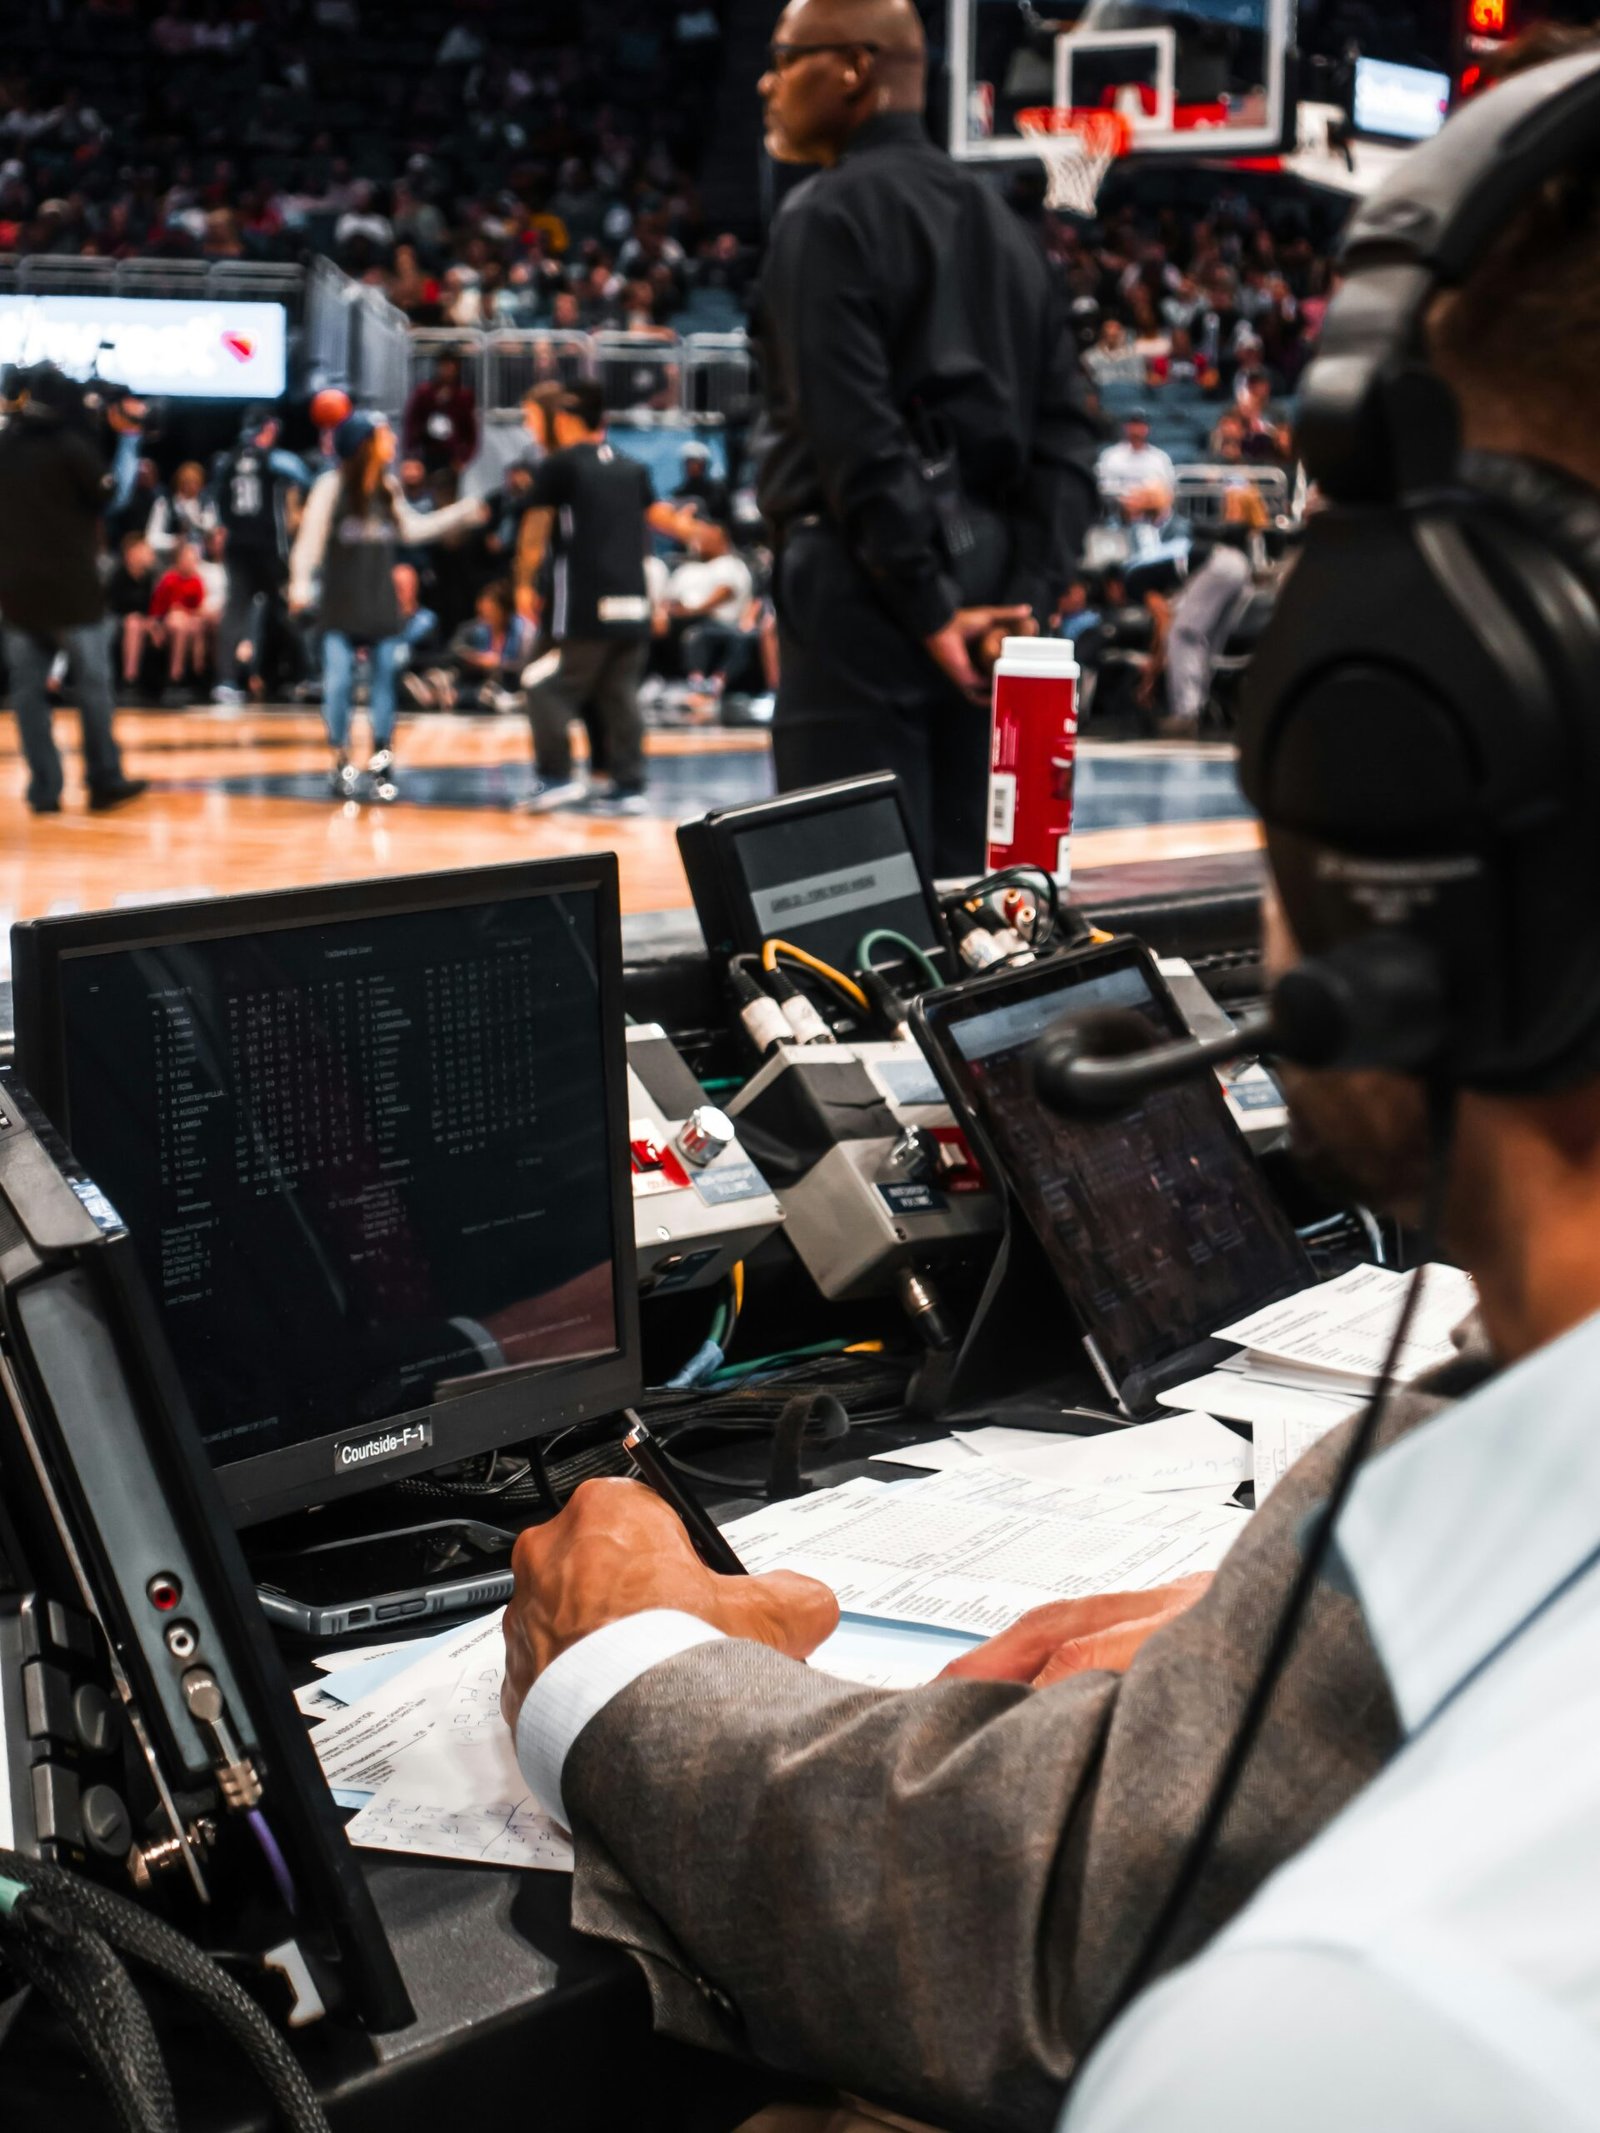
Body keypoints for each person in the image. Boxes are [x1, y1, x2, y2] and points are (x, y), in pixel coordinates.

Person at [753, 0, 1096, 875]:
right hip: (993, 612)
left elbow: (853, 433)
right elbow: (1068, 436)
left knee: (853, 917)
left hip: (870, 592)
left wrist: (927, 603)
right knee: (983, 904)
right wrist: (1025, 604)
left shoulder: (826, 216)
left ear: (854, 70)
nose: (768, 81)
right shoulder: (1015, 236)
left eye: (786, 58)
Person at [515, 380, 710, 815]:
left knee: (543, 686)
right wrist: (693, 529)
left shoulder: (560, 465)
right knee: (619, 694)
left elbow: (535, 528)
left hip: (587, 602)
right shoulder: (630, 466)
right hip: (634, 604)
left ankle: (556, 777)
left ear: (564, 420)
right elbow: (659, 517)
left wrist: (524, 584)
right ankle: (629, 785)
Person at [288, 411, 487, 803]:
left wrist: (461, 512)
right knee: (339, 683)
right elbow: (309, 542)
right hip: (340, 606)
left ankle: (382, 762)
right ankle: (341, 760)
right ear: (364, 443)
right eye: (384, 436)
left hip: (380, 606)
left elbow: (412, 529)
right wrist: (298, 586)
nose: (393, 442)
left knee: (383, 688)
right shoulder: (332, 486)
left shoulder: (387, 487)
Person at [0, 363, 144, 814]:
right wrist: (127, 440)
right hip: (74, 591)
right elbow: (112, 497)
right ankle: (103, 779)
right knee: (93, 688)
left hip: (19, 591)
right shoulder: (72, 446)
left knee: (27, 695)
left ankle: (45, 789)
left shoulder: (5, 445)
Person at [1140, 486, 1268, 739]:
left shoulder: (1135, 578)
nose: (1225, 508)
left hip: (1223, 565)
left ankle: (1186, 713)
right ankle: (1197, 706)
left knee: (1183, 633)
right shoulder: (1249, 537)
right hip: (1237, 571)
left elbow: (1166, 621)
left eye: (1232, 504)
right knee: (1207, 642)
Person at [210, 404, 308, 703]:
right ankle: (306, 675)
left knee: (236, 613)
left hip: (238, 546)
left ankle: (226, 680)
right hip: (268, 548)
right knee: (287, 609)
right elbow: (307, 478)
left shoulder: (227, 461)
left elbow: (220, 507)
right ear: (268, 428)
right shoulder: (276, 461)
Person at [448, 579, 537, 713]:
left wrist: (498, 663)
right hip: (484, 686)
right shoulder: (480, 627)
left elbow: (527, 666)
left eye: (492, 611)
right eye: (484, 611)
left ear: (505, 610)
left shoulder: (524, 632)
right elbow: (455, 648)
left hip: (514, 686)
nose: (486, 617)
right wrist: (476, 658)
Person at [149, 537, 211, 705]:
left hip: (190, 623)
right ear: (178, 560)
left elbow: (199, 609)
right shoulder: (169, 580)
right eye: (188, 558)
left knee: (194, 625)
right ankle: (175, 677)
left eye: (194, 559)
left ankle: (196, 673)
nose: (191, 563)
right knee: (179, 623)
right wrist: (156, 628)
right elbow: (157, 610)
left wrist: (186, 613)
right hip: (169, 623)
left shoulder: (197, 581)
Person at [401, 349, 478, 475]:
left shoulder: (464, 396)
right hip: (426, 451)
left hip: (452, 455)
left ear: (457, 369)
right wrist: (411, 454)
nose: (447, 371)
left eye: (450, 367)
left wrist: (464, 458)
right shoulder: (424, 393)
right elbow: (411, 423)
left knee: (447, 490)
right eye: (444, 366)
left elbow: (471, 433)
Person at [106, 532, 161, 701]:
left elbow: (157, 606)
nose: (147, 554)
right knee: (133, 624)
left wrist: (152, 622)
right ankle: (130, 680)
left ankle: (173, 681)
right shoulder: (117, 575)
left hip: (145, 620)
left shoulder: (151, 577)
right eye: (142, 550)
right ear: (131, 553)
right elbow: (110, 606)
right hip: (118, 620)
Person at [1096, 411, 1177, 521]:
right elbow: (1105, 487)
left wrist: (1144, 498)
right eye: (1133, 425)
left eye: (1140, 425)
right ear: (1126, 427)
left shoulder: (1159, 458)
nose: (1136, 430)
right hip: (1118, 513)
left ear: (1147, 429)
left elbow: (1167, 489)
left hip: (1152, 513)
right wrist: (1131, 498)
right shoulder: (1111, 455)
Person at [145, 458, 216, 561]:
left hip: (201, 560)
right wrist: (173, 541)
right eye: (187, 482)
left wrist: (196, 521)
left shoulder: (206, 505)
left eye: (195, 482)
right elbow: (151, 538)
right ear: (179, 482)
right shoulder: (165, 503)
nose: (191, 486)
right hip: (171, 559)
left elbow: (211, 528)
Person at [671, 440, 732, 529]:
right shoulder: (678, 494)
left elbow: (726, 517)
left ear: (705, 465)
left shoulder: (718, 490)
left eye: (697, 463)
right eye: (689, 462)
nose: (693, 467)